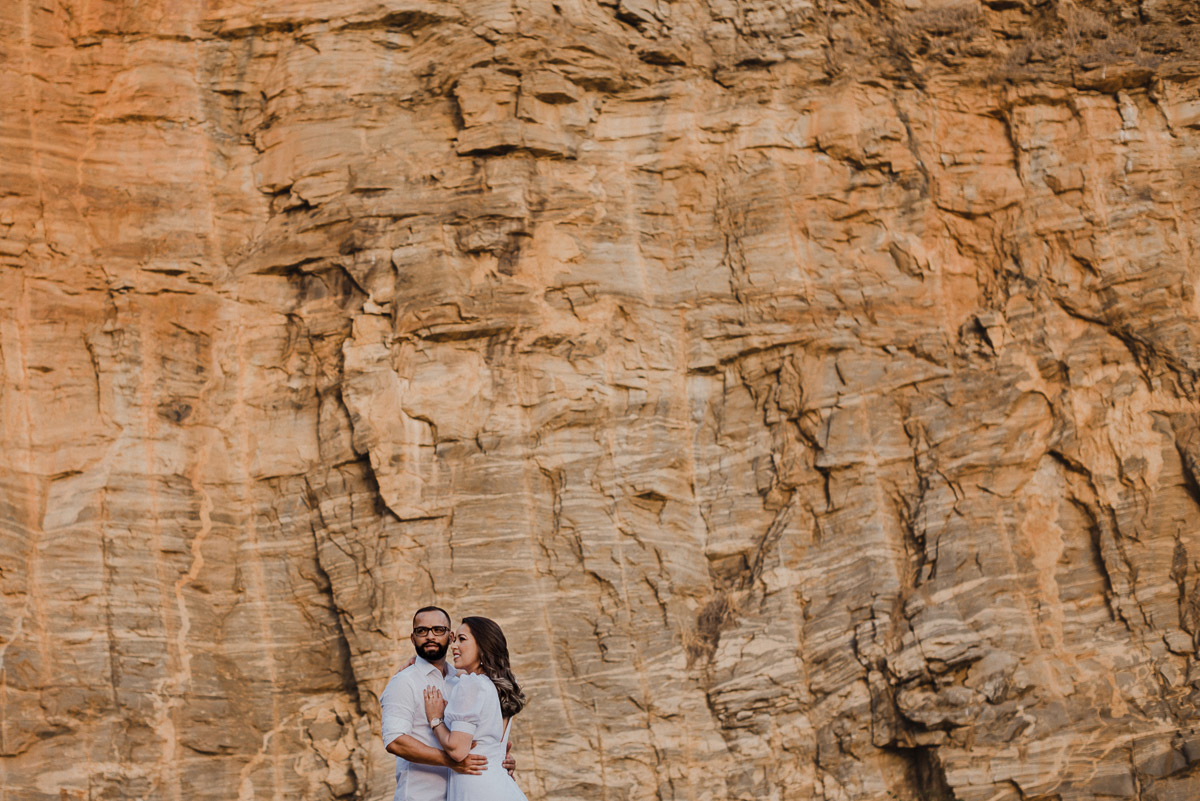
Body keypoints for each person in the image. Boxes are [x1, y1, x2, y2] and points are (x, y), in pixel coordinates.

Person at [380, 606, 514, 801]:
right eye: (421, 631)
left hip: (465, 793)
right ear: (412, 638)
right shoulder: (404, 681)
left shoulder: (462, 681)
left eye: (438, 630)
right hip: (421, 796)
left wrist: (498, 760)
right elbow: (395, 742)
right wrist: (452, 761)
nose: (430, 636)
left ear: (450, 637)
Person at [422, 616, 529, 801]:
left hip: (477, 789)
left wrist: (435, 719)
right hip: (502, 786)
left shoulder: (471, 684)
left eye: (462, 639)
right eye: (454, 640)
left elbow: (457, 751)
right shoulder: (500, 686)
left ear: (483, 645)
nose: (453, 646)